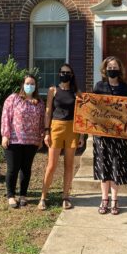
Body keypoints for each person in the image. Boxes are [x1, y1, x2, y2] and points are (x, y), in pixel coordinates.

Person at [38, 63, 84, 211]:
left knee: (69, 165)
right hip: (56, 128)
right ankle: (43, 197)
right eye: (62, 72)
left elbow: (81, 114)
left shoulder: (77, 92)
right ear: (59, 74)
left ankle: (65, 197)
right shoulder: (53, 90)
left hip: (72, 129)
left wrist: (82, 135)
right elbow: (48, 111)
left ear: (72, 75)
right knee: (51, 165)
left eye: (68, 72)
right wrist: (46, 132)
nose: (65, 75)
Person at [93, 56, 127, 215]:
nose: (112, 70)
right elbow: (93, 109)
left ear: (120, 69)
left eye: (115, 67)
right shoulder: (99, 86)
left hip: (119, 135)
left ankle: (115, 200)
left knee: (116, 166)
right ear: (105, 69)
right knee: (104, 166)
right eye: (109, 67)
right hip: (102, 135)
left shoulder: (125, 87)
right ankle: (104, 199)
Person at [1, 74, 45, 208]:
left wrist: (41, 138)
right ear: (22, 85)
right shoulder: (13, 99)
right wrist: (5, 135)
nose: (29, 86)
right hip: (14, 140)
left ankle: (23, 195)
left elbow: (42, 122)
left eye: (32, 84)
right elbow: (6, 116)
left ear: (35, 86)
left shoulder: (39, 103)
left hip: (31, 142)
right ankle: (11, 196)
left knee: (26, 169)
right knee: (13, 168)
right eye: (27, 83)